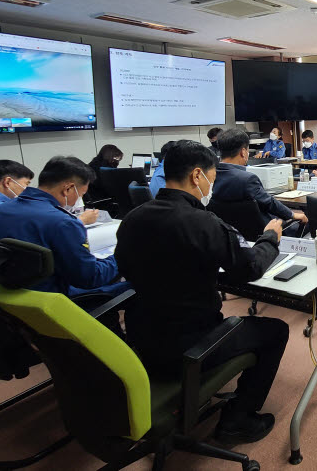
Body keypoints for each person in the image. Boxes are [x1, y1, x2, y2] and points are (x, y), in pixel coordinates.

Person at [115, 140, 288, 444]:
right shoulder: (202, 223)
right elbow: (248, 269)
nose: (213, 186)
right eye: (212, 177)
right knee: (275, 331)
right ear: (198, 175)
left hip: (140, 340)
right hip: (190, 345)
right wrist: (270, 239)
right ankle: (239, 419)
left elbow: (126, 266)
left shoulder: (134, 217)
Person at [0, 156, 127, 297]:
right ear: (68, 189)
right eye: (80, 195)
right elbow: (90, 278)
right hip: (50, 300)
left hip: (4, 298)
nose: (78, 201)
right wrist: (121, 256)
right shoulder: (63, 222)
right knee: (136, 283)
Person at [214, 129, 308, 226]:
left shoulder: (209, 177)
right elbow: (269, 203)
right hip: (267, 232)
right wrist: (292, 214)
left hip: (229, 231)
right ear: (243, 152)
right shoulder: (247, 179)